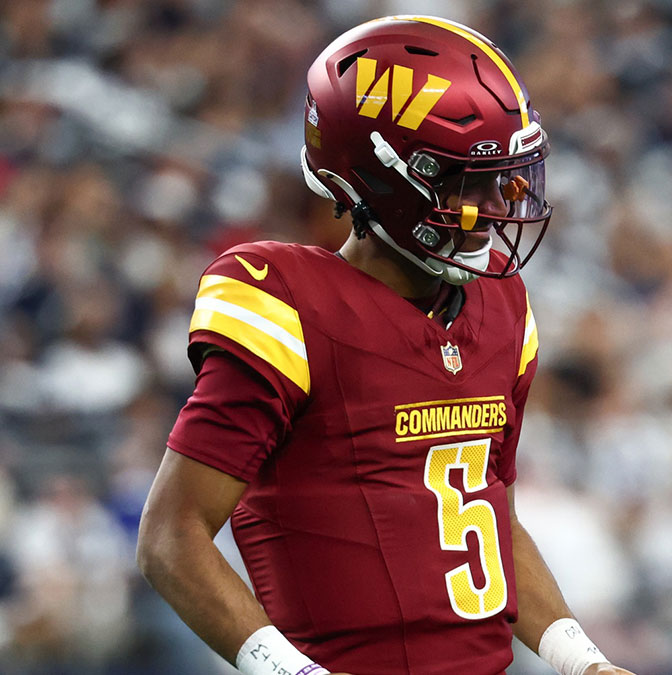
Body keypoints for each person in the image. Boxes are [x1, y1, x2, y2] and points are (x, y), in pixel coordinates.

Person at [136, 15, 635, 675]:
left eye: (504, 176)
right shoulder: (287, 303)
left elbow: (488, 519)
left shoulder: (501, 303)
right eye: (468, 179)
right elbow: (171, 535)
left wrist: (582, 661)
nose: (499, 203)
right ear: (383, 177)